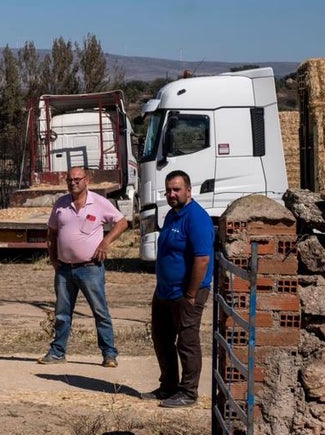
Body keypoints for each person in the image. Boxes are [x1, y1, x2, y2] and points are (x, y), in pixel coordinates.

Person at [38, 167, 129, 367]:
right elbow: (52, 232)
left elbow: (122, 223)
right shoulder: (61, 204)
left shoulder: (98, 202)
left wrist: (105, 243)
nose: (73, 183)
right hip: (64, 269)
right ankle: (57, 352)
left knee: (100, 311)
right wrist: (54, 259)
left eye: (77, 179)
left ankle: (109, 354)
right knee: (62, 313)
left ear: (86, 180)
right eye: (70, 180)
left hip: (90, 268)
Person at [142, 170, 214, 408]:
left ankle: (188, 392)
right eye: (169, 190)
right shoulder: (173, 215)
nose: (172, 194)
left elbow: (202, 259)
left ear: (188, 190)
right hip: (164, 291)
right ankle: (168, 386)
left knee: (187, 342)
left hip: (187, 293)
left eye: (177, 189)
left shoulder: (197, 218)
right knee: (162, 339)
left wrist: (191, 294)